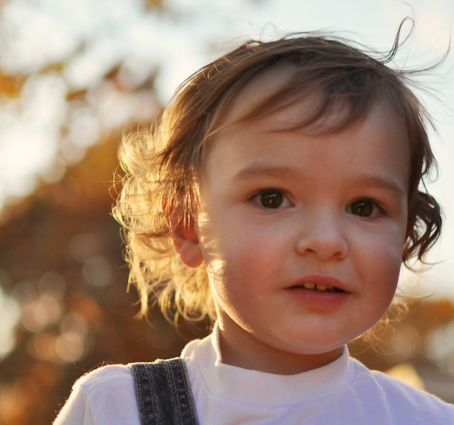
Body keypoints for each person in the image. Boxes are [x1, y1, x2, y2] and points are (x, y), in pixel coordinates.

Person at [54, 22, 454, 424]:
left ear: (405, 235)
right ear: (188, 225)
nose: (326, 240)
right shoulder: (118, 408)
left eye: (364, 207)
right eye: (272, 199)